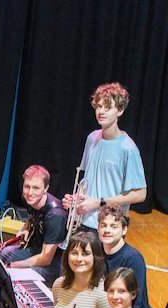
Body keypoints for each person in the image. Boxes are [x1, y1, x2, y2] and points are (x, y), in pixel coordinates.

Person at [0, 165, 68, 306]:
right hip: (33, 250)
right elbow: (32, 217)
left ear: (46, 189)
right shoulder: (29, 199)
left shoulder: (55, 215)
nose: (30, 192)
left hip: (51, 264)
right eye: (27, 187)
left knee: (12, 273)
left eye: (36, 188)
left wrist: (14, 265)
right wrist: (26, 228)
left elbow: (46, 259)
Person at [62, 83, 147, 234]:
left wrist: (98, 202)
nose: (101, 111)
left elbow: (140, 194)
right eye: (99, 106)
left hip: (108, 226)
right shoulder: (92, 138)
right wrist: (77, 198)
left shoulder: (128, 149)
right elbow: (90, 181)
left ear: (120, 111)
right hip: (83, 220)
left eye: (108, 107)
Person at [97, 205, 155, 308]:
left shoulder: (133, 259)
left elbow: (135, 305)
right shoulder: (97, 252)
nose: (107, 230)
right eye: (103, 225)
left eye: (113, 227)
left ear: (124, 230)